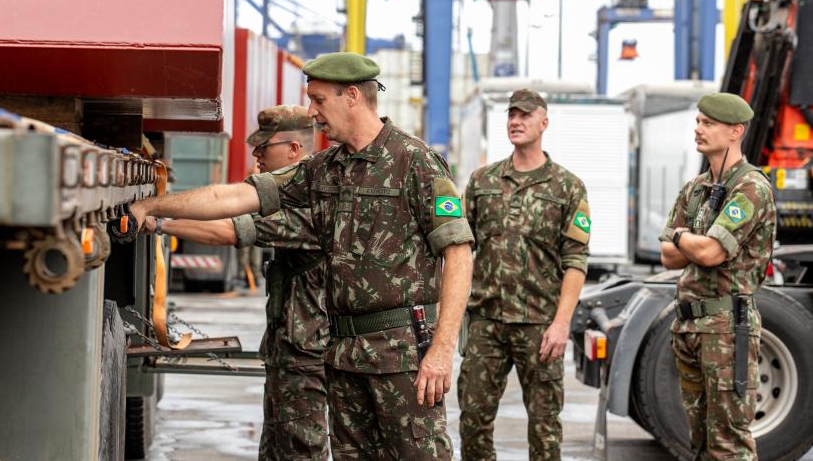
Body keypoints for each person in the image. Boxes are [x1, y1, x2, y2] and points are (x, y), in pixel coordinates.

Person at [128, 52, 474, 459]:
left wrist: (441, 349)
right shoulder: (323, 169)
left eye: (319, 100)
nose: (312, 112)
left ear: (351, 96)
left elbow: (459, 254)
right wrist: (154, 207)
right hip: (343, 354)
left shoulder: (414, 161)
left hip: (403, 358)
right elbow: (237, 196)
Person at [147, 105, 329, 460]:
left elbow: (227, 230)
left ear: (294, 150)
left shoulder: (311, 203)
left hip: (307, 353)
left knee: (300, 450)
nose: (256, 153)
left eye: (266, 146)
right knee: (276, 447)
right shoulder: (291, 195)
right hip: (288, 347)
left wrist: (157, 221)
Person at [457, 89, 590, 461]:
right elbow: (460, 248)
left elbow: (576, 260)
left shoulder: (567, 187)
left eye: (525, 115)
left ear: (543, 123)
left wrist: (562, 323)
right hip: (487, 323)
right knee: (473, 420)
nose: (515, 121)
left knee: (545, 427)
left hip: (539, 326)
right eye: (511, 115)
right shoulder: (483, 181)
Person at [660, 93, 775, 460]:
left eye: (708, 124)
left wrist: (680, 236)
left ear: (734, 132)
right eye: (698, 122)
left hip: (726, 328)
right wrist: (688, 243)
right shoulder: (696, 189)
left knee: (728, 441)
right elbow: (667, 258)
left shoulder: (750, 189)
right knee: (700, 439)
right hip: (691, 327)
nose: (698, 129)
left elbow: (709, 253)